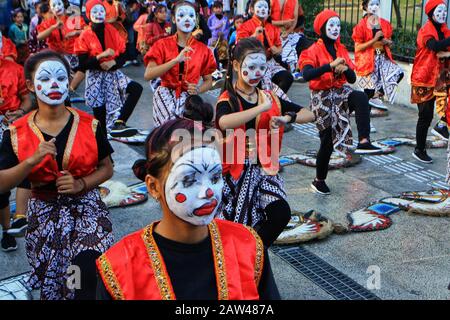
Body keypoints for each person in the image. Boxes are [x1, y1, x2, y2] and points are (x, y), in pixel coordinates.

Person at [96, 117, 280, 300]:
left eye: (215, 177)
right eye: (190, 180)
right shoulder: (120, 267)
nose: (208, 192)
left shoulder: (247, 246)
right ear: (153, 187)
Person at [0, 50, 114, 300]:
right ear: (30, 84)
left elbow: (107, 168)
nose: (54, 84)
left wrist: (82, 183)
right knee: (59, 286)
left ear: (68, 80)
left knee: (85, 274)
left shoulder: (89, 124)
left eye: (61, 78)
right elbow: (2, 183)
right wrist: (32, 160)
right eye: (45, 78)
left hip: (86, 210)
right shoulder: (16, 133)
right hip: (44, 214)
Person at [215, 37, 316, 246]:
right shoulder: (228, 98)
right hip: (235, 172)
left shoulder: (270, 97)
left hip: (265, 170)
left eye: (261, 67)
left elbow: (309, 114)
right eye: (250, 67)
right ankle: (239, 259)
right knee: (236, 226)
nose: (256, 73)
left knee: (280, 213)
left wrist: (287, 118)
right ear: (235, 65)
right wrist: (260, 108)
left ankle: (254, 255)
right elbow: (223, 122)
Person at [299, 9, 381, 195]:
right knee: (326, 142)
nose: (336, 29)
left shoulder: (341, 48)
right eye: (331, 25)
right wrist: (330, 66)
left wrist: (343, 68)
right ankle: (319, 180)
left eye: (338, 25)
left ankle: (364, 140)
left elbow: (352, 79)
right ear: (322, 28)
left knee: (360, 97)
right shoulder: (311, 50)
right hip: (322, 97)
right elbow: (306, 75)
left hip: (341, 92)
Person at [74, 0, 143, 137]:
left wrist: (114, 63)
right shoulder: (85, 35)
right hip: (95, 78)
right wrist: (100, 57)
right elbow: (82, 65)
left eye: (101, 11)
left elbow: (125, 54)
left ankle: (119, 122)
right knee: (100, 116)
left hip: (113, 74)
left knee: (136, 88)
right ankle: (103, 142)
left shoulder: (111, 30)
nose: (99, 14)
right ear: (88, 14)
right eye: (95, 11)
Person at [143, 0, 216, 127]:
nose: (187, 19)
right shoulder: (162, 44)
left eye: (191, 16)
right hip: (165, 94)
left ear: (196, 20)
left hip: (188, 99)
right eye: (182, 15)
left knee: (186, 137)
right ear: (174, 19)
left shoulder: (203, 49)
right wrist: (175, 60)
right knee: (168, 134)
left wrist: (198, 89)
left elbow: (208, 81)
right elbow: (148, 74)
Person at [0, 37, 33, 252]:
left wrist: (20, 111)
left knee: (24, 170)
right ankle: (7, 227)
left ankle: (13, 224)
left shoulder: (14, 68)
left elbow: (26, 98)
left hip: (12, 127)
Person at [411, 0, 450, 163]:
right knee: (425, 116)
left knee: (445, 105)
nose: (443, 14)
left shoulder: (445, 30)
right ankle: (419, 149)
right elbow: (434, 46)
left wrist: (446, 54)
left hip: (441, 77)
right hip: (424, 78)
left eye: (445, 11)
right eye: (439, 11)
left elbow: (444, 49)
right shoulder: (426, 30)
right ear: (431, 13)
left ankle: (441, 126)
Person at [352, 0, 404, 111]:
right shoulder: (361, 26)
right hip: (367, 62)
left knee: (398, 72)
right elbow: (358, 47)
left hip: (382, 58)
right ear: (365, 6)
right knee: (367, 94)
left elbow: (389, 42)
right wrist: (374, 39)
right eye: (371, 4)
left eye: (376, 4)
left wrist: (388, 42)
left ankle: (378, 95)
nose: (375, 7)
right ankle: (367, 123)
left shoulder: (384, 23)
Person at [236, 0, 294, 95]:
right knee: (264, 86)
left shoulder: (272, 27)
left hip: (270, 62)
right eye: (260, 6)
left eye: (265, 7)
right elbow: (239, 45)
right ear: (251, 9)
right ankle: (268, 102)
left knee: (287, 77)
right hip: (253, 64)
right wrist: (254, 35)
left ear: (268, 10)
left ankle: (274, 101)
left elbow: (279, 47)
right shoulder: (245, 26)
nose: (263, 9)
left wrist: (277, 50)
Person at [37, 0, 86, 101]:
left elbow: (86, 30)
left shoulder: (72, 18)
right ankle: (67, 93)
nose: (57, 7)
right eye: (53, 5)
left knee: (83, 69)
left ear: (63, 4)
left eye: (59, 4)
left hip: (73, 53)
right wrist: (53, 27)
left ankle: (69, 91)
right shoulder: (49, 22)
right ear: (50, 8)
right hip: (57, 55)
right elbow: (39, 37)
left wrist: (75, 33)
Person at [208, 1, 230, 68]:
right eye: (216, 8)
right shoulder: (211, 18)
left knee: (224, 48)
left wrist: (223, 34)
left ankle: (224, 65)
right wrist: (216, 28)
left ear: (222, 8)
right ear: (213, 9)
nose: (218, 9)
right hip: (213, 39)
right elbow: (208, 28)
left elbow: (227, 29)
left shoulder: (225, 19)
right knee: (213, 51)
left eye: (220, 8)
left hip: (223, 38)